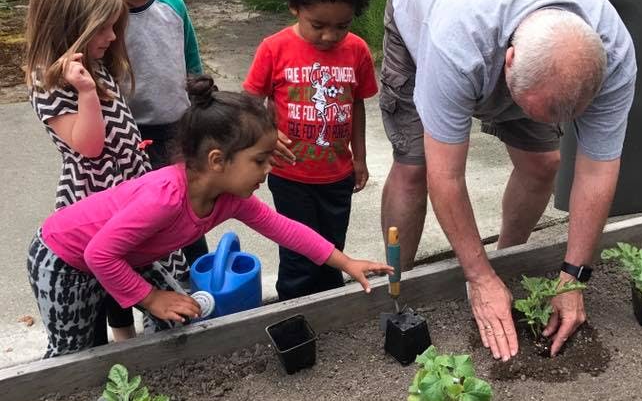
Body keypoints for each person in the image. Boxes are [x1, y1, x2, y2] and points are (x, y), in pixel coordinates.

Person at [379, 0, 637, 361]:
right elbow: (446, 177)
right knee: (414, 166)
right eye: (524, 104)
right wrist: (475, 277)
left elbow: (597, 170)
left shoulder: (614, 57)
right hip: (423, 10)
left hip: (521, 36)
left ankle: (506, 262)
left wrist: (573, 279)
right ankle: (398, 288)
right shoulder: (456, 46)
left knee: (542, 163)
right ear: (510, 61)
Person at [27, 76, 392, 358]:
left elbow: (286, 230)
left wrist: (346, 262)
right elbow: (98, 254)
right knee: (72, 352)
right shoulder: (166, 198)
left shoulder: (228, 198)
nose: (267, 170)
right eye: (259, 160)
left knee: (174, 314)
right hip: (63, 258)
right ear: (218, 160)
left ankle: (157, 374)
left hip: (122, 255)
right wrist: (151, 297)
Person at [24, 0, 184, 346]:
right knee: (98, 291)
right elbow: (89, 146)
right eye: (104, 27)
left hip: (133, 187)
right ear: (69, 26)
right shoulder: (48, 80)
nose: (113, 36)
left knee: (157, 276)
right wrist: (86, 93)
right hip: (98, 199)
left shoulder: (94, 63)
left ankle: (152, 346)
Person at [244, 0, 378, 300]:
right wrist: (267, 135)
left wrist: (360, 158)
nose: (330, 36)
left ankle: (329, 311)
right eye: (318, 25)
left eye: (342, 25)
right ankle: (293, 315)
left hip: (336, 175)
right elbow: (251, 102)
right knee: (299, 257)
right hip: (291, 176)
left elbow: (356, 105)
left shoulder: (358, 52)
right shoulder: (274, 49)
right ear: (295, 6)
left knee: (332, 251)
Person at [82, 0, 208, 265]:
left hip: (178, 130)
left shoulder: (173, 5)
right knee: (141, 220)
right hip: (127, 138)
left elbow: (191, 62)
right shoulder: (100, 20)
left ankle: (199, 279)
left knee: (189, 210)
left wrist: (200, 110)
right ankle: (140, 300)